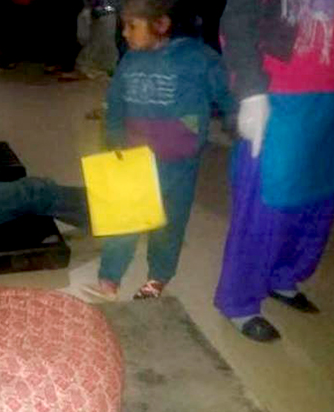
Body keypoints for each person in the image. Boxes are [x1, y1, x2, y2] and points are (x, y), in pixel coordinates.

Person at [80, 0, 235, 301]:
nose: (124, 33)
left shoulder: (198, 58)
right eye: (124, 25)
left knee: (169, 222)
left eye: (132, 26)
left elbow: (226, 93)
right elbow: (115, 103)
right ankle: (110, 277)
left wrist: (238, 118)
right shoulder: (130, 60)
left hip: (179, 162)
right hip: (133, 158)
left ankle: (158, 276)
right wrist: (112, 143)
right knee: (122, 216)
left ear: (161, 24)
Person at [213, 0, 334, 342]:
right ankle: (239, 300)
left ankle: (283, 275)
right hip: (280, 96)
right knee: (265, 204)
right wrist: (251, 92)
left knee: (319, 197)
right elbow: (237, 22)